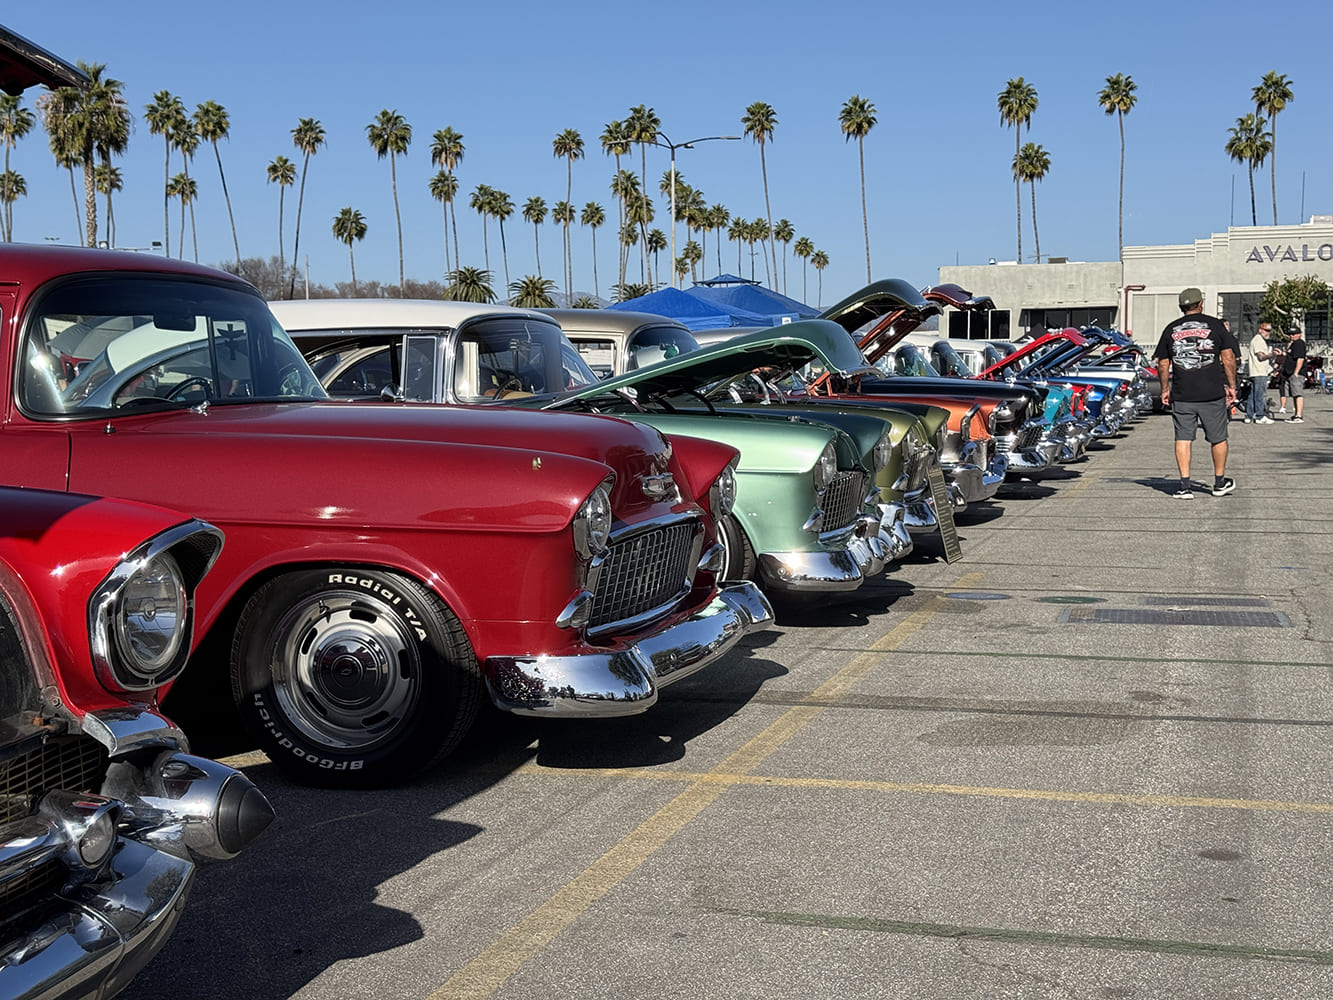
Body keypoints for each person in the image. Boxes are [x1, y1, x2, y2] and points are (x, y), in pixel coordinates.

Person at [1154, 287, 1239, 499]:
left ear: (1181, 307)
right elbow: (1228, 358)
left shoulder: (1170, 329)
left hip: (1183, 394)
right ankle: (1219, 482)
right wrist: (1232, 385)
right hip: (1211, 392)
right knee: (1218, 437)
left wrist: (1165, 389)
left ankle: (1184, 485)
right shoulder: (1216, 325)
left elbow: (1163, 363)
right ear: (1200, 304)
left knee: (1183, 438)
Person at [1242, 321, 1276, 423]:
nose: (1267, 333)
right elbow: (1261, 357)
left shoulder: (1257, 340)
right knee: (1260, 395)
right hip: (1259, 372)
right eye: (1265, 330)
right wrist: (1272, 354)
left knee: (1252, 395)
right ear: (1260, 330)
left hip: (1255, 371)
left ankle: (1249, 416)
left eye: (1269, 331)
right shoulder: (1258, 340)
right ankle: (1260, 416)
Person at [1279, 325, 1307, 423]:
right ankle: (1296, 415)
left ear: (1299, 334)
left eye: (1294, 334)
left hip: (1297, 374)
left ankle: (1299, 415)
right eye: (1290, 334)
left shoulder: (1299, 343)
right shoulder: (1293, 344)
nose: (1292, 336)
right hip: (1289, 373)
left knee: (1298, 393)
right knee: (1294, 394)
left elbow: (1300, 358)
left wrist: (1296, 372)